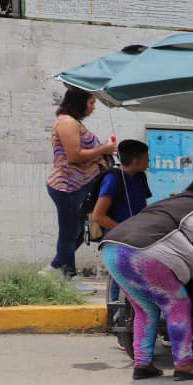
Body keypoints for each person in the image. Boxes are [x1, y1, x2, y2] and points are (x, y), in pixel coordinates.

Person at [101, 170, 193, 381]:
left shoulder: (167, 203)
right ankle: (184, 365)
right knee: (177, 304)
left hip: (112, 250)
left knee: (145, 310)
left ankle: (142, 364)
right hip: (144, 253)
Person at [46, 86, 117, 292]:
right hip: (66, 187)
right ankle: (69, 278)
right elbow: (75, 156)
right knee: (69, 234)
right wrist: (103, 149)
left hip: (77, 186)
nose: (93, 107)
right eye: (91, 102)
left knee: (76, 232)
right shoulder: (67, 123)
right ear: (79, 102)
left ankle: (53, 268)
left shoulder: (73, 123)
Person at [91, 138, 153, 345]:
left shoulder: (140, 178)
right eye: (146, 158)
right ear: (136, 160)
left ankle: (139, 325)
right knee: (120, 282)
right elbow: (98, 216)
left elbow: (143, 207)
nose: (149, 161)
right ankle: (121, 329)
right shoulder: (113, 179)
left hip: (137, 238)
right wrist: (124, 229)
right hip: (118, 240)